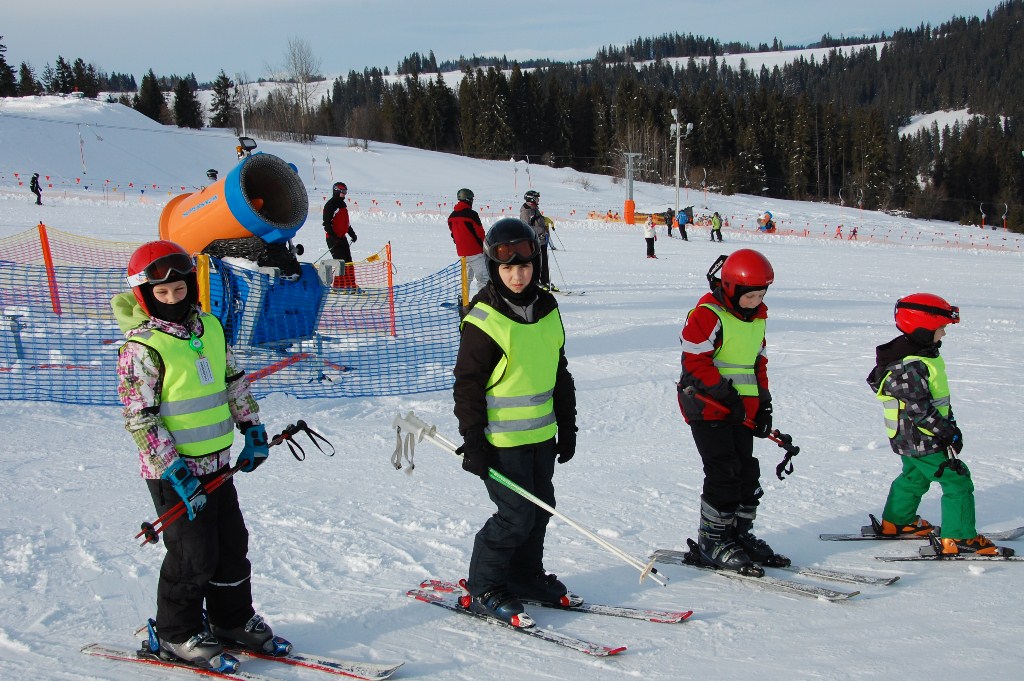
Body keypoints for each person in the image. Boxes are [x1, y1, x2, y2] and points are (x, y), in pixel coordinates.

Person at [112, 240, 290, 672]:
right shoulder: (142, 348)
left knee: (231, 545)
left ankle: (231, 620)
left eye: (179, 289)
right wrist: (176, 472)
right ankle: (176, 633)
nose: (173, 299)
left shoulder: (209, 327)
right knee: (193, 556)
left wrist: (253, 428)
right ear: (145, 296)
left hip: (217, 464)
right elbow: (141, 420)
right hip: (173, 473)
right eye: (162, 293)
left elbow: (233, 380)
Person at [453, 217, 578, 625]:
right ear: (494, 268)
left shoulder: (548, 308)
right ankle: (485, 585)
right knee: (515, 516)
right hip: (499, 442)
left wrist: (568, 426)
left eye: (523, 266)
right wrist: (473, 440)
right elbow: (468, 386)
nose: (517, 276)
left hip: (541, 436)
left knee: (541, 509)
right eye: (507, 268)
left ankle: (524, 576)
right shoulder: (483, 319)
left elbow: (558, 372)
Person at [866, 293, 1012, 556]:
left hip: (909, 436)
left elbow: (936, 400)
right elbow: (919, 410)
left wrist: (951, 424)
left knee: (914, 477)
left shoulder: (921, 357)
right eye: (940, 328)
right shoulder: (909, 367)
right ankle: (959, 537)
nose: (943, 334)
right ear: (922, 330)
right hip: (921, 437)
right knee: (957, 480)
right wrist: (946, 432)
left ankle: (896, 522)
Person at [676, 249, 788, 573]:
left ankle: (737, 535)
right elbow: (695, 363)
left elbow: (757, 365)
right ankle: (713, 540)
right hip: (708, 407)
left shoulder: (758, 320)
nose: (755, 301)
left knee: (746, 472)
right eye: (749, 295)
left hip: (742, 412)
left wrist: (763, 404)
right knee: (724, 472)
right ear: (730, 288)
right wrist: (727, 396)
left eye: (761, 295)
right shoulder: (707, 315)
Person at [448, 187, 488, 295]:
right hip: (475, 252)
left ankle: (463, 300)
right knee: (483, 278)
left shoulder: (451, 216)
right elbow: (480, 233)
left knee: (465, 280)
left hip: (462, 253)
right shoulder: (472, 214)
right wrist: (484, 246)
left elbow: (453, 234)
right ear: (468, 200)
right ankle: (483, 300)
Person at [322, 181, 358, 288]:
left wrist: (352, 234)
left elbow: (346, 223)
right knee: (340, 264)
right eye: (343, 192)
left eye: (345, 192)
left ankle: (351, 285)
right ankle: (339, 287)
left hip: (342, 238)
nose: (344, 194)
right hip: (333, 239)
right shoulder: (330, 205)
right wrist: (334, 238)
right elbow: (326, 224)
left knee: (349, 263)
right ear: (336, 191)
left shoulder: (343, 205)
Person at [519, 190, 556, 292]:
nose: (538, 200)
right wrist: (541, 229)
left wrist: (544, 219)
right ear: (531, 199)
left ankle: (545, 281)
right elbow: (526, 227)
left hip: (542, 240)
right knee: (535, 262)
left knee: (544, 261)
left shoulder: (534, 208)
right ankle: (535, 282)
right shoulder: (526, 211)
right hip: (533, 241)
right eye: (536, 198)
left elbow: (537, 220)